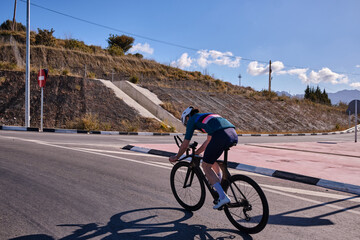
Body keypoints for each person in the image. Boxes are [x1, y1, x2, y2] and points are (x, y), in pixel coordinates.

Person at [169, 106, 238, 209]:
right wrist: (197, 152)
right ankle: (218, 186)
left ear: (187, 118)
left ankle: (223, 196)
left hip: (220, 135)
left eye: (186, 123)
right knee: (211, 159)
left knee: (205, 165)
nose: (188, 125)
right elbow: (208, 142)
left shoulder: (192, 120)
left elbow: (185, 143)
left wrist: (177, 156)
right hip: (233, 134)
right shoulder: (207, 118)